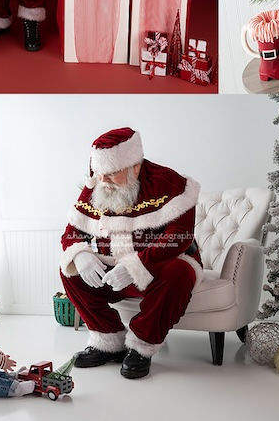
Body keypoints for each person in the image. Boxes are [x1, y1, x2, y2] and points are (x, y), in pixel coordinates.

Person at [59, 127, 201, 379]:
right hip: (113, 268)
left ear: (134, 166)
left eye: (111, 174)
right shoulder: (97, 182)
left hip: (159, 268)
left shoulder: (170, 183)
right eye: (99, 174)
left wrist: (137, 265)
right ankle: (109, 342)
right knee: (69, 270)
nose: (102, 181)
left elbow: (179, 237)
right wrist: (80, 255)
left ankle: (141, 348)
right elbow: (72, 231)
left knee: (179, 272)